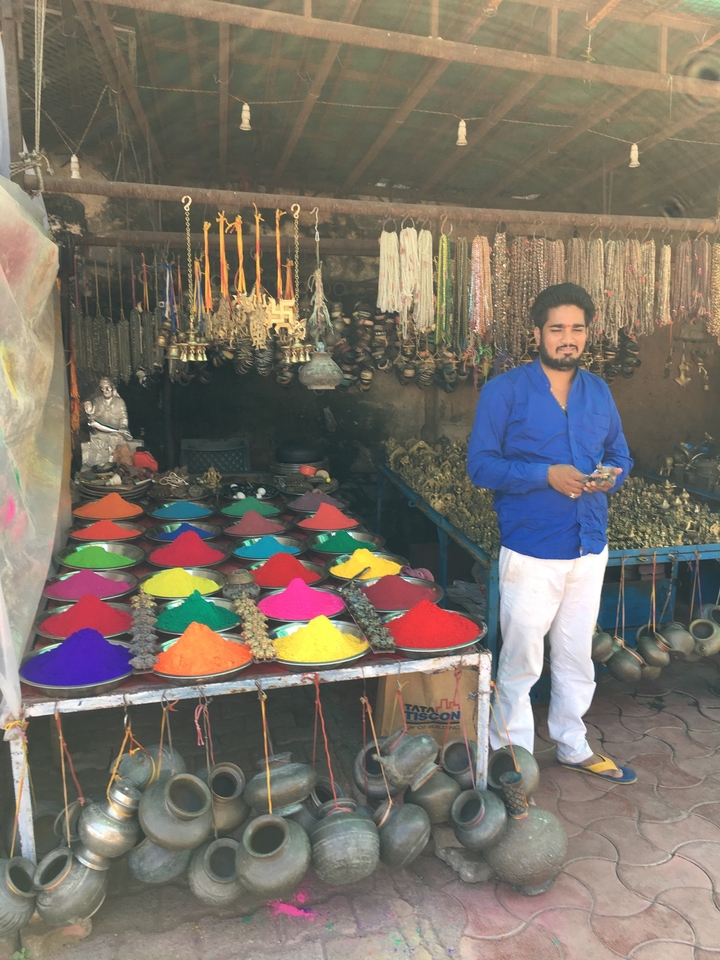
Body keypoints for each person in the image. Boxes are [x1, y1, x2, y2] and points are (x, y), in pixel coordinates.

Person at [467, 283, 636, 784]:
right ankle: (512, 759)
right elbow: (480, 466)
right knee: (520, 659)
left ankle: (572, 742)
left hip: (589, 544)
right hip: (532, 547)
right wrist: (545, 475)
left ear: (589, 333)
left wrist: (610, 476)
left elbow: (621, 455)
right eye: (557, 328)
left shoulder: (599, 391)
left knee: (575, 653)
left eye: (577, 329)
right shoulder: (505, 390)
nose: (568, 339)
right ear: (537, 333)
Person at [81, 377, 133, 467]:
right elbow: (93, 417)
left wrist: (123, 427)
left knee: (116, 440)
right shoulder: (97, 401)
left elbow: (124, 418)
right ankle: (94, 464)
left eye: (108, 387)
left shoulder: (120, 402)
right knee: (96, 442)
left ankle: (115, 464)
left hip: (117, 432)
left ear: (112, 388)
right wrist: (90, 411)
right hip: (100, 432)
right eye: (103, 388)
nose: (106, 390)